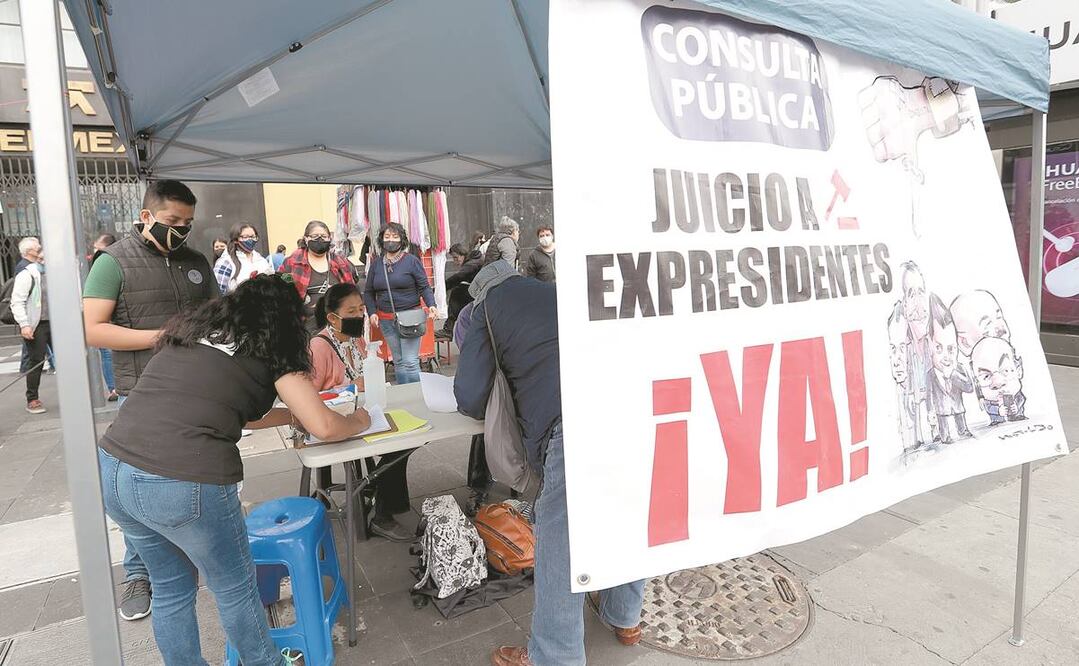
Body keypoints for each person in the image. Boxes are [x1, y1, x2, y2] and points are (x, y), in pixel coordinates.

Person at [98, 274, 370, 666]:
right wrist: (360, 420)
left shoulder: (193, 335)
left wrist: (289, 416)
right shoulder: (274, 346)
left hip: (114, 468)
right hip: (184, 478)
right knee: (235, 588)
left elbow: (225, 407)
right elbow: (326, 426)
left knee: (171, 589)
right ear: (287, 319)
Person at [454, 261, 646, 665]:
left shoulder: (487, 308)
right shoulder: (556, 290)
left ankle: (554, 656)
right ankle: (625, 616)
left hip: (571, 421)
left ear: (478, 291)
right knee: (626, 517)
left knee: (560, 543)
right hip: (630, 408)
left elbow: (470, 395)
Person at [83, 180, 215, 622]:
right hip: (141, 395)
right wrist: (160, 337)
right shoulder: (113, 262)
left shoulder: (196, 261)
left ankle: (200, 554)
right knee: (136, 493)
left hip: (197, 390)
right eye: (171, 221)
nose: (180, 230)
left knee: (197, 480)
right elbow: (93, 328)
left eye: (187, 224)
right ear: (146, 216)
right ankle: (139, 571)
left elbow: (216, 316)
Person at [309, 283, 414, 541]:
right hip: (336, 420)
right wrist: (349, 387)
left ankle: (377, 491)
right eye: (351, 311)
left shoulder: (356, 339)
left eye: (361, 310)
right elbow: (309, 398)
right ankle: (382, 514)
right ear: (332, 317)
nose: (358, 316)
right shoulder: (319, 347)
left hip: (365, 414)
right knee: (397, 445)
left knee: (408, 439)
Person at [363, 222, 436, 385]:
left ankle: (418, 396)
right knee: (398, 361)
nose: (391, 240)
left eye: (395, 237)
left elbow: (424, 286)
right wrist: (372, 312)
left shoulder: (411, 261)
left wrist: (432, 305)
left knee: (410, 361)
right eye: (387, 236)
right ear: (381, 240)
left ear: (402, 240)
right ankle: (404, 398)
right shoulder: (376, 265)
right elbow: (369, 292)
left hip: (410, 318)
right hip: (386, 320)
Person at [278, 220, 355, 333]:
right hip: (305, 328)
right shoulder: (292, 262)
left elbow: (351, 292)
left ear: (330, 238)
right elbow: (279, 288)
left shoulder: (341, 263)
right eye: (314, 236)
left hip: (337, 327)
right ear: (306, 239)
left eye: (324, 236)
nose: (320, 239)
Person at [11, 238, 49, 414]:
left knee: (68, 358)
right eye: (38, 252)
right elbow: (17, 302)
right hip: (38, 324)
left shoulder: (54, 272)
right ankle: (32, 398)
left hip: (56, 322)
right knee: (36, 360)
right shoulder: (27, 274)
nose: (42, 255)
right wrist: (25, 325)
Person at [92, 233, 119, 401]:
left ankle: (114, 388)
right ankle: (113, 387)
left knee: (109, 353)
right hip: (103, 318)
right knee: (107, 353)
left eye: (97, 247)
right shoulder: (99, 261)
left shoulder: (107, 261)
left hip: (110, 316)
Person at [437, 242, 484, 339]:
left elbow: (459, 277)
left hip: (481, 293)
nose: (455, 261)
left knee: (457, 292)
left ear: (463, 254)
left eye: (456, 258)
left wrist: (443, 287)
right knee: (459, 290)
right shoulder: (474, 260)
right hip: (480, 291)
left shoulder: (471, 264)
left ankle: (448, 329)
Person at [214, 223, 273, 295]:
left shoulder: (261, 260)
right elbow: (217, 293)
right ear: (235, 240)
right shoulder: (225, 262)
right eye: (245, 237)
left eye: (253, 237)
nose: (250, 240)